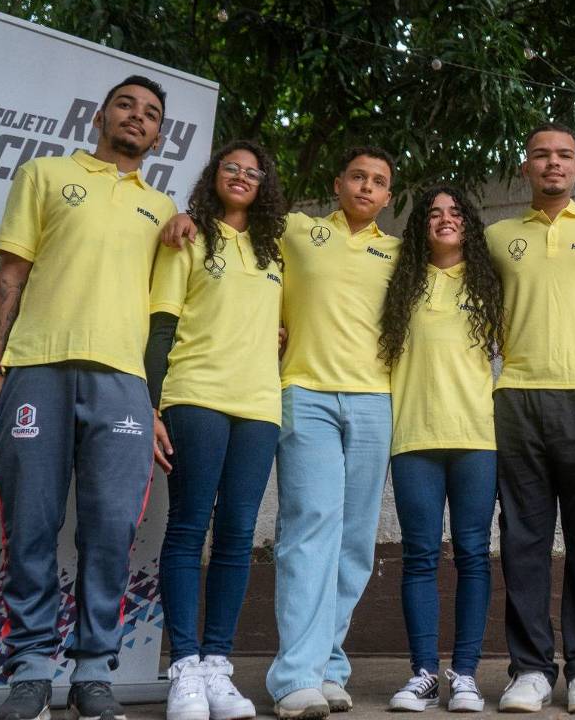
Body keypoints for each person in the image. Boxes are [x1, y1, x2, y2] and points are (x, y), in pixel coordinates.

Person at [162, 146, 400, 719]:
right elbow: (234, 226)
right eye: (357, 177)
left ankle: (328, 665)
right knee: (310, 530)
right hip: (303, 393)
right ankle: (294, 676)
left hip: (374, 399)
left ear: (389, 197)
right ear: (337, 182)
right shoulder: (293, 231)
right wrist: (185, 215)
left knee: (355, 543)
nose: (367, 188)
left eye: (379, 183)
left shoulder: (398, 253)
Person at [0, 75, 176, 720]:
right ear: (101, 114)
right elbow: (11, 277)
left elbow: (167, 313)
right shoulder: (43, 175)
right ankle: (31, 672)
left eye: (151, 114)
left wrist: (150, 400)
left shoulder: (163, 208)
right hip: (36, 367)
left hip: (123, 382)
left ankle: (94, 671)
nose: (137, 118)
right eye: (127, 105)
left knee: (112, 529)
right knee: (31, 522)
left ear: (159, 133)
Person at [486, 122, 575, 713]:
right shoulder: (496, 236)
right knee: (523, 539)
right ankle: (531, 669)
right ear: (525, 167)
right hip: (517, 395)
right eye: (540, 154)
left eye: (563, 156)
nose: (552, 164)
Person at [145, 141, 287, 720]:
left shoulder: (275, 251)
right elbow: (160, 330)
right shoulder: (187, 236)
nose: (242, 176)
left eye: (253, 171)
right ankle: (183, 669)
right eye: (232, 167)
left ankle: (217, 668)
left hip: (259, 405)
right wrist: (151, 407)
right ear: (214, 175)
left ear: (264, 185)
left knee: (235, 534)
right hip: (195, 396)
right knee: (188, 526)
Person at [378, 187, 504, 713]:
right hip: (414, 438)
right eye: (434, 213)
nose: (445, 219)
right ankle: (425, 673)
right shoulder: (398, 283)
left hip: (476, 438)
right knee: (420, 558)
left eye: (454, 212)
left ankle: (466, 676)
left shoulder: (490, 283)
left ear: (469, 225)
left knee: (474, 556)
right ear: (420, 226)